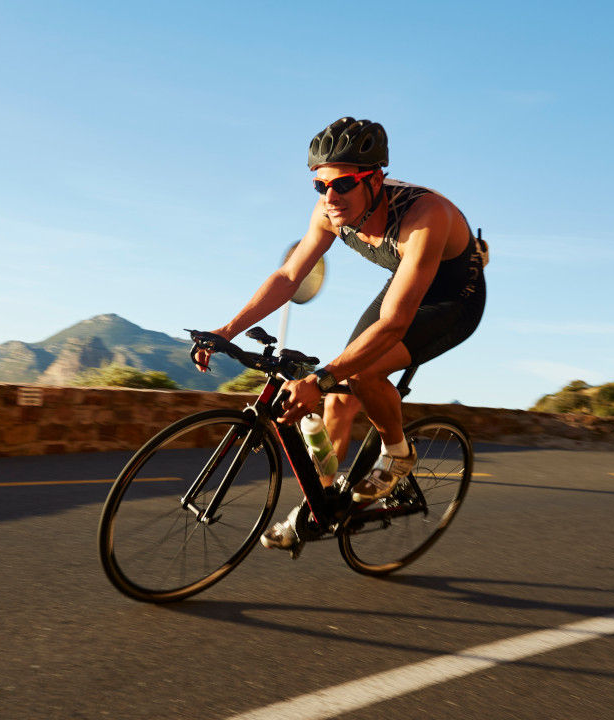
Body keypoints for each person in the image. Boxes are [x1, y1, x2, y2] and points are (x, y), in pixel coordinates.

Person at [194, 116, 488, 551]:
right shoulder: (328, 211)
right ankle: (319, 507)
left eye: (343, 184)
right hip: (406, 283)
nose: (330, 197)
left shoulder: (426, 216)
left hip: (453, 299)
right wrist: (228, 330)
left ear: (375, 179)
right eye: (320, 186)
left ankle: (398, 454)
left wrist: (319, 377)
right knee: (336, 401)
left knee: (360, 374)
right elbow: (291, 274)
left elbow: (394, 324)